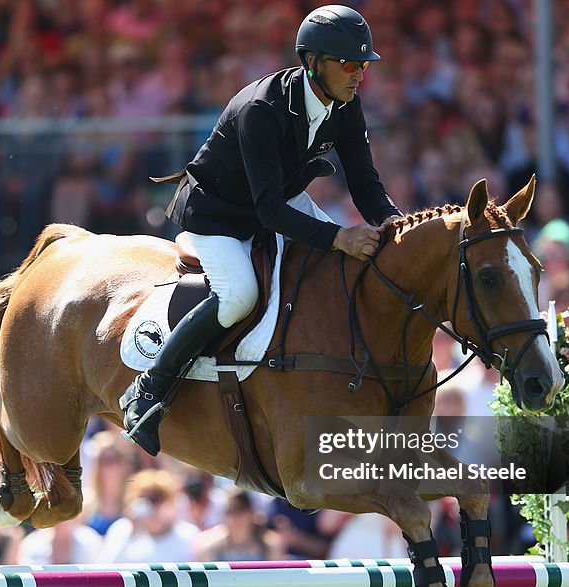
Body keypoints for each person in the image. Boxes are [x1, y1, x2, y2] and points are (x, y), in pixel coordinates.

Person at [120, 5, 404, 456]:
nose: (358, 76)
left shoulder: (345, 105)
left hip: (276, 199)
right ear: (313, 63)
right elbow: (268, 212)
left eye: (363, 67)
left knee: (335, 273)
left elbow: (366, 184)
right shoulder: (262, 109)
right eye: (349, 65)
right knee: (239, 297)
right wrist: (339, 237)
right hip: (219, 213)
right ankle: (149, 391)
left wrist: (392, 222)